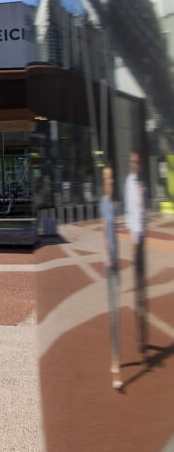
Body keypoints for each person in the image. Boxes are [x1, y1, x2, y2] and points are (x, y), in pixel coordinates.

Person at [125, 150, 148, 361]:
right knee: (138, 287)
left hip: (143, 237)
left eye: (137, 160)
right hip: (136, 239)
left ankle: (143, 338)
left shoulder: (141, 182)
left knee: (143, 288)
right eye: (133, 160)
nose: (135, 164)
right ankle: (140, 340)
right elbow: (131, 212)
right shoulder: (130, 182)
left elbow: (142, 211)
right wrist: (133, 239)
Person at [100, 167, 122, 389]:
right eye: (109, 178)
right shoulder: (105, 204)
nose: (112, 182)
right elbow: (105, 234)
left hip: (114, 261)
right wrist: (109, 258)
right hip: (110, 263)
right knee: (114, 312)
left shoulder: (111, 203)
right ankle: (115, 362)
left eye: (112, 178)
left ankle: (115, 358)